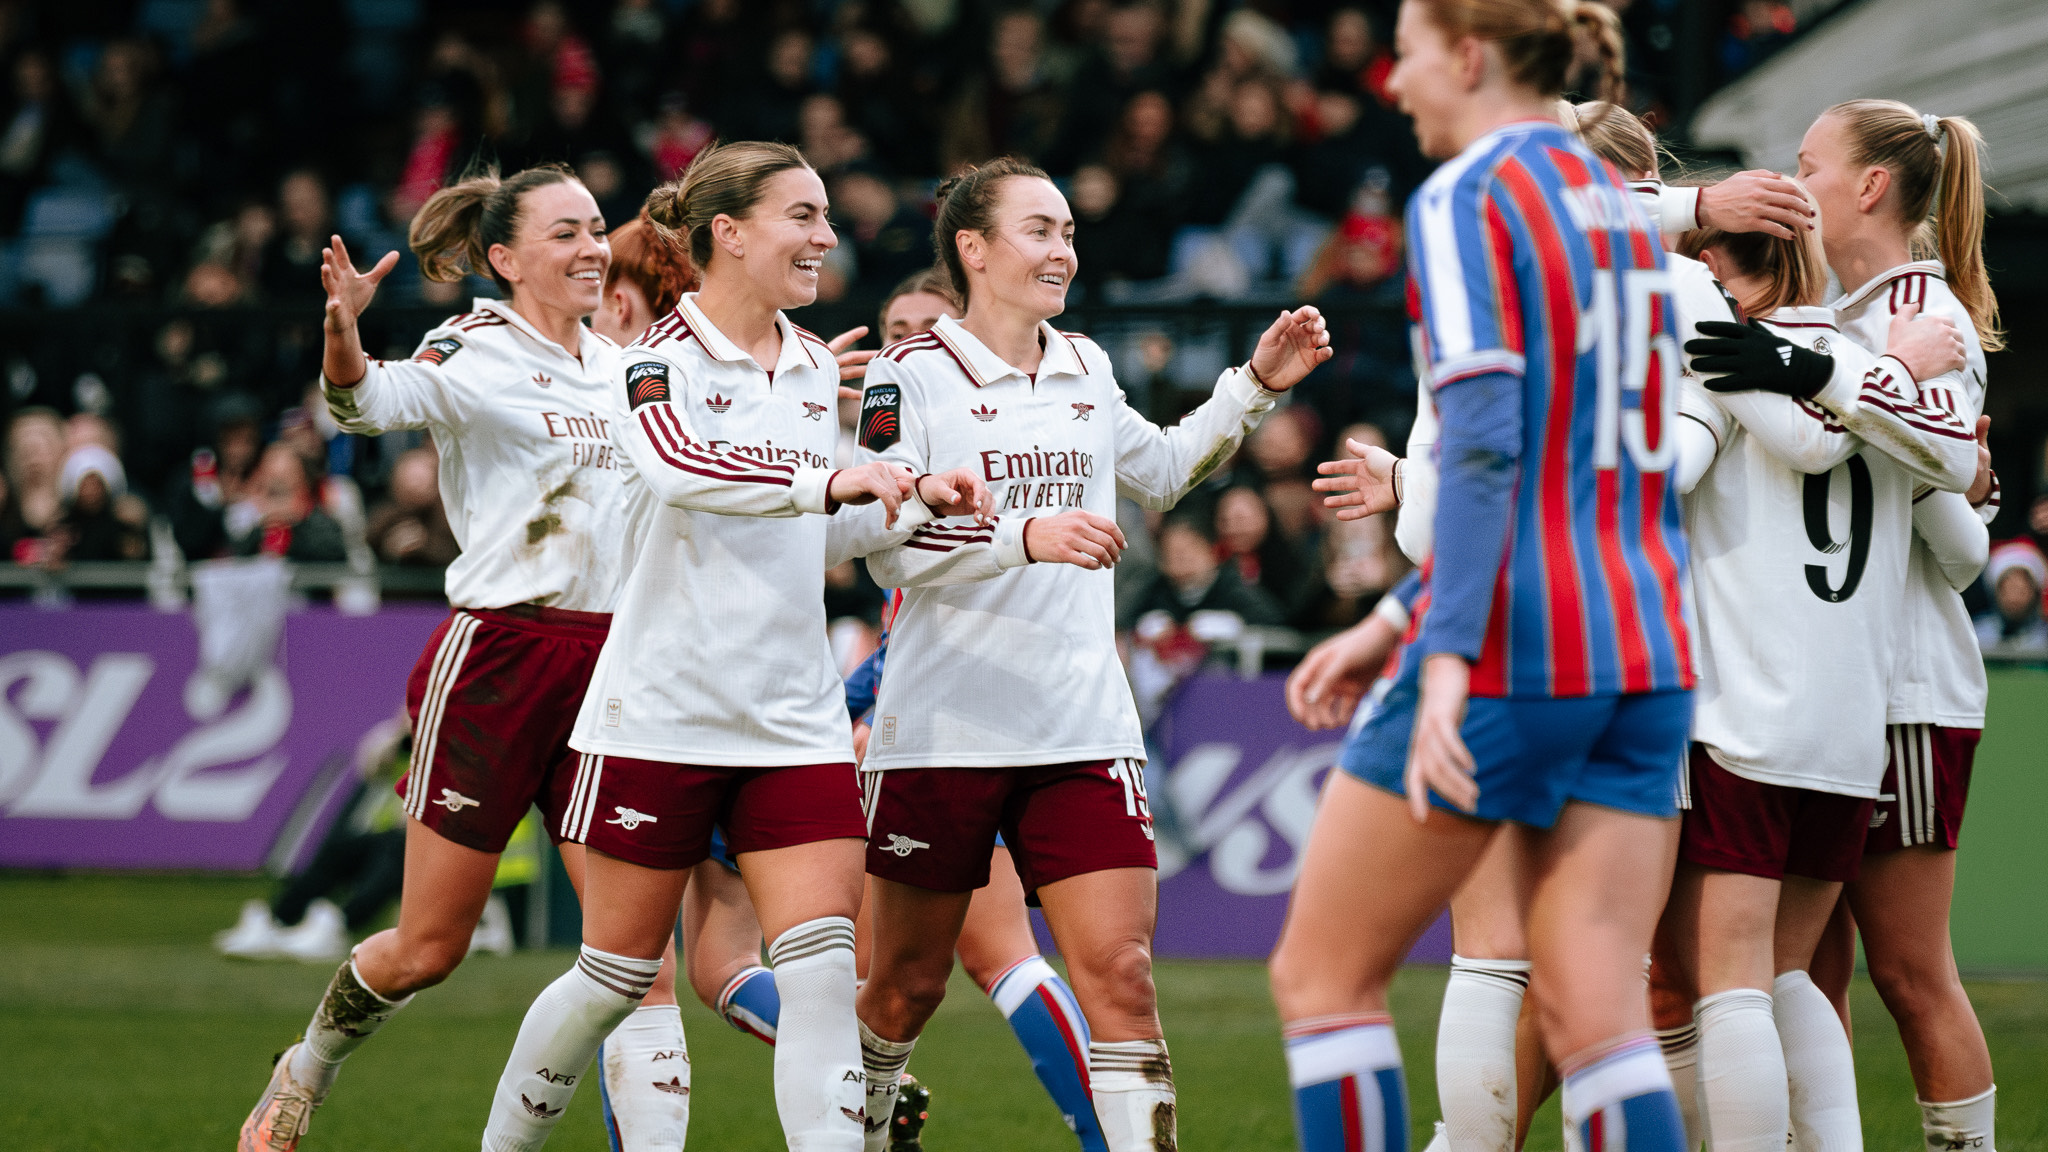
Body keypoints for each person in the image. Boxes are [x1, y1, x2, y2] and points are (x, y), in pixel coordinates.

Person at [473, 141, 993, 1152]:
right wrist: (828, 482)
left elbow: (827, 528)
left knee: (817, 980)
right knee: (614, 975)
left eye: (825, 216)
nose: (825, 237)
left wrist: (906, 497)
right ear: (730, 233)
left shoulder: (810, 368)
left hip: (792, 719)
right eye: (802, 215)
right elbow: (680, 471)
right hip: (661, 714)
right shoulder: (649, 361)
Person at [1267, 5, 1698, 1148]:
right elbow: (1587, 459)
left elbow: (1487, 441)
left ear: (1468, 57)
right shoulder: (1617, 211)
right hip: (1646, 644)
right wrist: (1400, 611)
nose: (1388, 77)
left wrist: (1440, 643)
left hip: (1517, 644)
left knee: (1322, 978)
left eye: (1403, 49)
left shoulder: (1466, 195)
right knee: (1599, 1006)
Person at [850, 156, 1331, 1152]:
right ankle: (860, 1122)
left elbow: (1155, 470)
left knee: (1118, 973)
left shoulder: (1083, 366)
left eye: (1067, 231)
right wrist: (1022, 538)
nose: (1062, 249)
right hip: (945, 731)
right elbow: (881, 544)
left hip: (1078, 721)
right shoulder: (910, 375)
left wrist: (1250, 387)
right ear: (972, 248)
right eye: (1038, 230)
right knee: (902, 989)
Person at [238, 163, 692, 1152]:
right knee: (430, 948)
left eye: (593, 231)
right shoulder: (472, 346)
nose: (589, 249)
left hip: (613, 670)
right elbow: (370, 406)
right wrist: (344, 342)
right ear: (502, 257)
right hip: (498, 659)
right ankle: (306, 1064)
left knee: (636, 957)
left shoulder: (622, 366)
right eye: (564, 234)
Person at [677, 272, 1115, 1152]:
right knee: (887, 978)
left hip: (905, 708)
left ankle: (879, 1102)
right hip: (858, 694)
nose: (906, 349)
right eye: (893, 332)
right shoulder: (864, 431)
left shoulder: (957, 424)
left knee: (736, 965)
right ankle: (875, 1101)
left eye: (924, 329)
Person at [1796, 98, 2006, 1152]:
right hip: (1825, 689)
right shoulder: (1838, 318)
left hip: (1903, 692)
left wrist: (1940, 469)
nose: (1793, 185)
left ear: (1869, 184)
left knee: (1910, 973)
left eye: (1808, 164)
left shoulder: (1925, 313)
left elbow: (1962, 542)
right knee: (1802, 974)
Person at [1974, 542, 2047, 656]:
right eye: (2008, 589)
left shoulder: (2044, 637)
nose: (2014, 599)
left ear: (2034, 593)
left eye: (2021, 591)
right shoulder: (1975, 634)